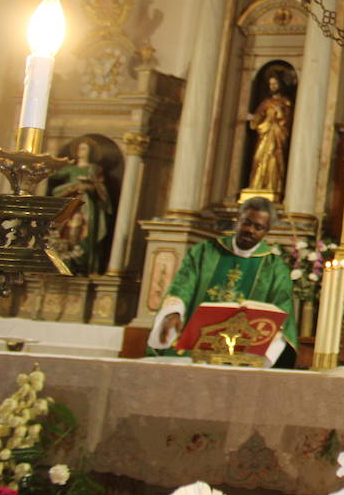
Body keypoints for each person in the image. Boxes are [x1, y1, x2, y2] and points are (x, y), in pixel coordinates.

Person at [147, 197, 298, 367]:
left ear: (267, 230)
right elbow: (182, 286)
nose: (250, 230)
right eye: (246, 222)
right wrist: (173, 312)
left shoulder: (275, 268)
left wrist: (263, 349)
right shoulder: (204, 252)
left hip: (242, 356)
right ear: (237, 220)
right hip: (192, 352)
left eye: (258, 227)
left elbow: (282, 311)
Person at [47, 138, 114, 275]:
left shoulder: (95, 169)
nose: (81, 152)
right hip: (71, 204)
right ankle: (63, 258)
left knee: (84, 232)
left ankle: (81, 262)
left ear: (91, 152)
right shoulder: (71, 169)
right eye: (80, 149)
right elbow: (52, 176)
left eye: (85, 149)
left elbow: (101, 189)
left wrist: (90, 187)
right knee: (65, 228)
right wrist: (74, 186)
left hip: (87, 206)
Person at [246, 73, 292, 194]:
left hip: (277, 134)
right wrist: (253, 118)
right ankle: (257, 185)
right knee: (259, 158)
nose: (272, 86)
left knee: (273, 158)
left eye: (275, 84)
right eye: (271, 84)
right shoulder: (265, 103)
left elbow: (285, 120)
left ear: (280, 85)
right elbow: (259, 116)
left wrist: (279, 113)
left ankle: (273, 187)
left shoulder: (285, 102)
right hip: (265, 134)